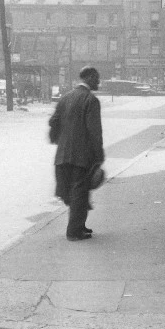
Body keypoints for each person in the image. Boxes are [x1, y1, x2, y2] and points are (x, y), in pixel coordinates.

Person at [49, 66, 105, 241]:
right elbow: (94, 131)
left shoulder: (65, 98)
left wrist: (60, 141)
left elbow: (54, 122)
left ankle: (79, 225)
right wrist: (99, 155)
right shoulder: (91, 100)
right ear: (88, 78)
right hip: (82, 156)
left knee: (72, 191)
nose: (98, 82)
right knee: (80, 192)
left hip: (63, 155)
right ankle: (74, 232)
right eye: (96, 78)